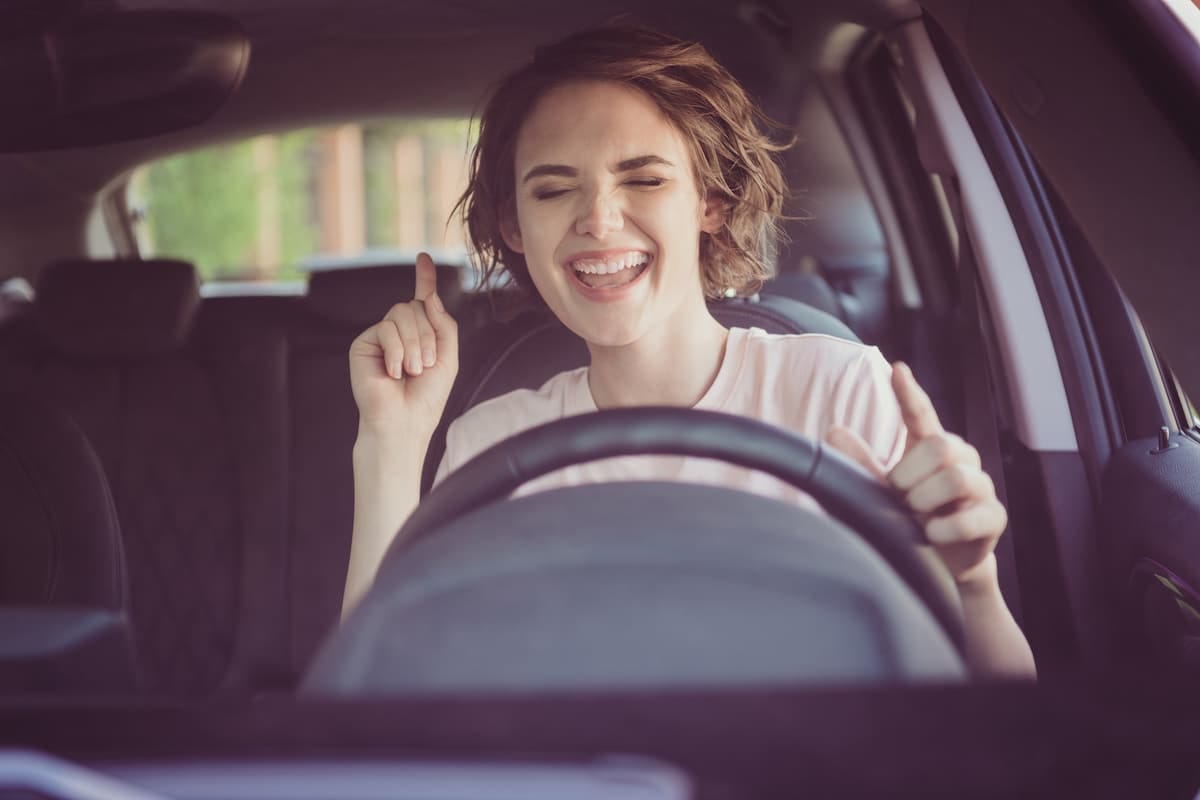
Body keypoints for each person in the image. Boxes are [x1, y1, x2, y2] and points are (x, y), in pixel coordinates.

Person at [344, 25, 1036, 678]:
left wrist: (974, 585)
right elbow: (385, 693)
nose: (598, 219)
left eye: (643, 179)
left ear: (712, 200)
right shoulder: (492, 443)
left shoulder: (840, 390)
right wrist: (392, 443)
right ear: (514, 227)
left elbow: (993, 718)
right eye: (553, 189)